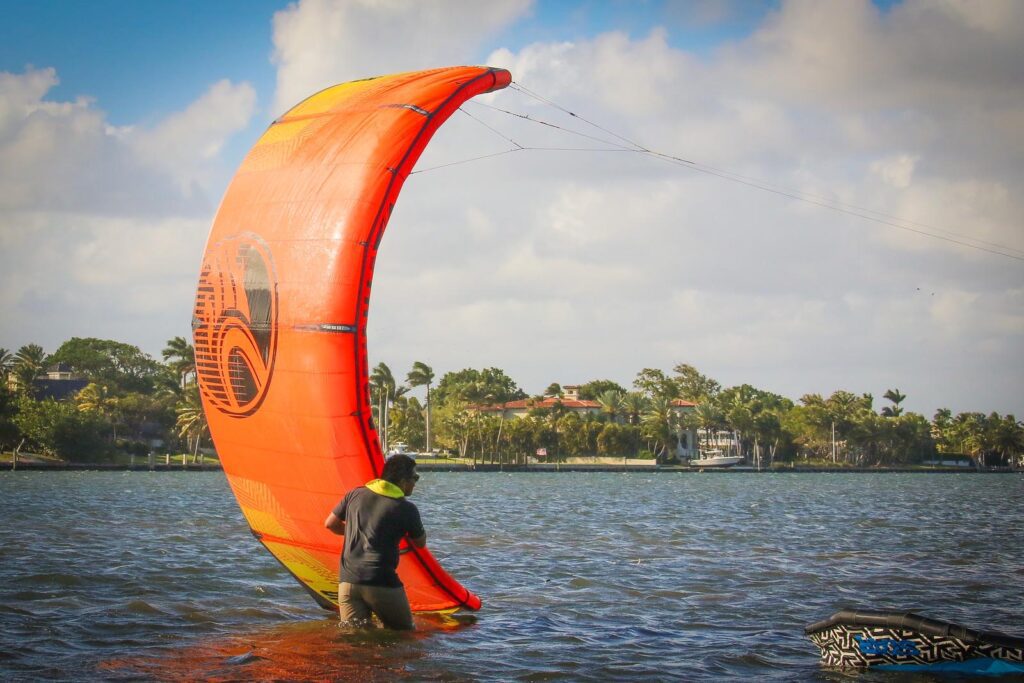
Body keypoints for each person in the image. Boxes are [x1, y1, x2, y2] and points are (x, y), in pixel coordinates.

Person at [324, 454, 426, 630]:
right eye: (414, 477)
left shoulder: (354, 494)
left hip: (348, 582)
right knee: (405, 635)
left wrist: (355, 532)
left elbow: (330, 524)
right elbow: (420, 543)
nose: (415, 483)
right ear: (402, 481)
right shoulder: (406, 508)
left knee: (355, 638)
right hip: (381, 582)